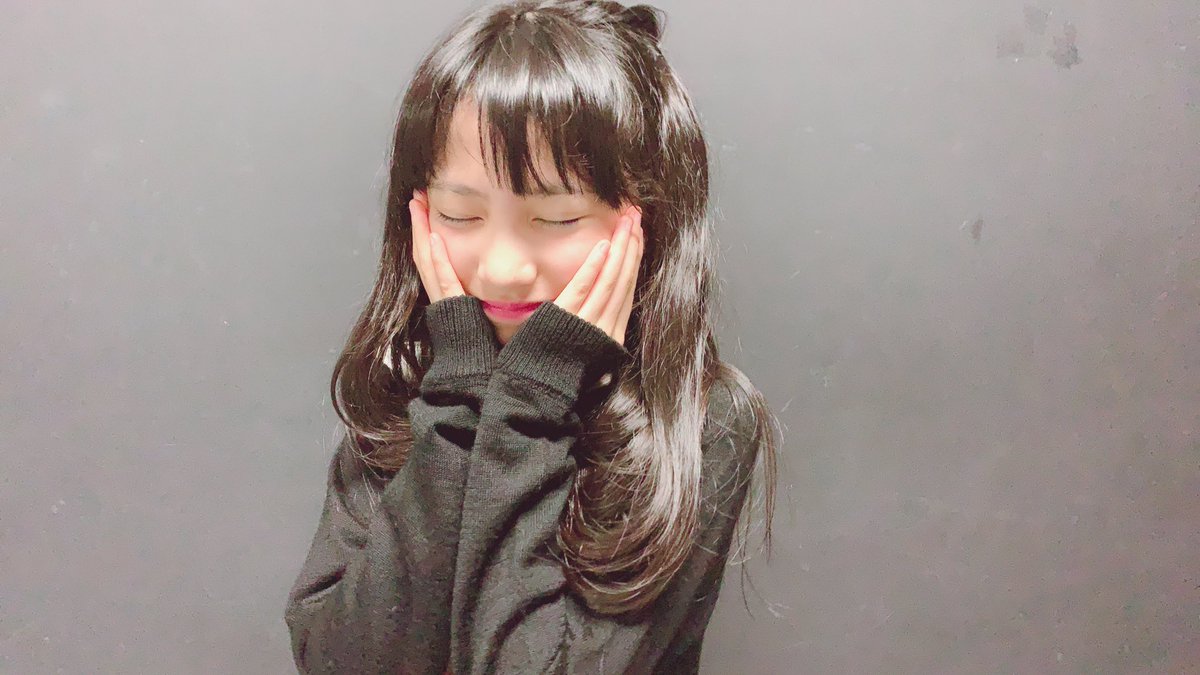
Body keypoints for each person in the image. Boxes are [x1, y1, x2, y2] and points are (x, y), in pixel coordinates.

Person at [282, 1, 779, 673]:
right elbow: (340, 661)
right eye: (460, 214)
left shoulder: (701, 421)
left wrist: (532, 399)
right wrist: (457, 400)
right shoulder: (408, 383)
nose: (502, 269)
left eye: (556, 218)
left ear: (649, 222)